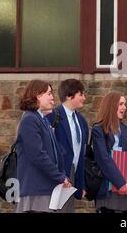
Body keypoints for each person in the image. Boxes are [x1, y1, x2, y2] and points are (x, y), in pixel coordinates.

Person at [15, 80, 71, 213]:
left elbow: (54, 153)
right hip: (36, 190)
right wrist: (59, 177)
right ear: (37, 95)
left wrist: (62, 176)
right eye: (49, 93)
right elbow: (37, 155)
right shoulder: (30, 119)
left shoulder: (43, 120)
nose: (53, 98)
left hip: (46, 188)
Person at [92, 91, 127, 213]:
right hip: (109, 190)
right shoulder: (98, 129)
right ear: (111, 106)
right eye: (121, 104)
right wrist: (120, 183)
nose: (124, 107)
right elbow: (103, 159)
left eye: (124, 104)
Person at [46, 79, 89, 212]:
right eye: (81, 94)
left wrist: (81, 185)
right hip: (57, 175)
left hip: (73, 175)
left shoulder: (82, 121)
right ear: (69, 96)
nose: (84, 98)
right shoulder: (52, 115)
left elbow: (82, 155)